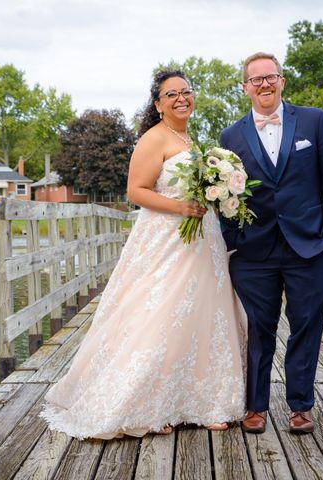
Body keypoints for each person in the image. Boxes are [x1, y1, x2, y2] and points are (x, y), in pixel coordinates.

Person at [41, 69, 247, 439]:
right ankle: (149, 403)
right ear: (157, 104)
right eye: (171, 94)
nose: (182, 98)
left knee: (200, 313)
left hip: (202, 242)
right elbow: (136, 191)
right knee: (163, 312)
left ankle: (203, 401)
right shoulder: (154, 138)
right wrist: (181, 208)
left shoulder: (188, 139)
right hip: (167, 240)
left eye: (186, 91)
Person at [219, 52, 323, 434]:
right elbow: (226, 196)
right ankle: (256, 406)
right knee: (259, 327)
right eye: (255, 79)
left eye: (270, 77)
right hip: (254, 250)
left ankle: (300, 405)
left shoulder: (314, 120)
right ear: (245, 87)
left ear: (282, 81)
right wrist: (231, 241)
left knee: (306, 325)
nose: (264, 84)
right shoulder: (230, 136)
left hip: (310, 246)